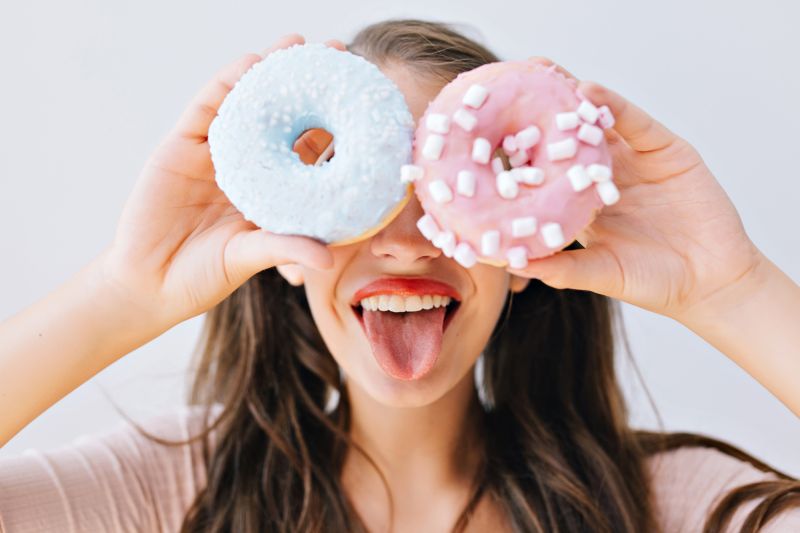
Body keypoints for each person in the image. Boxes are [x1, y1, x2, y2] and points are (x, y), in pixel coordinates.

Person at [1, 18, 799, 533]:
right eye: (367, 192)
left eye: (454, 194)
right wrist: (124, 292)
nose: (408, 243)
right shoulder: (171, 495)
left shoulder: (669, 507)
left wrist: (730, 289)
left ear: (527, 260)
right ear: (282, 237)